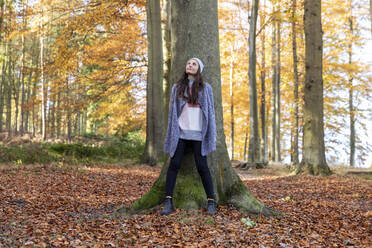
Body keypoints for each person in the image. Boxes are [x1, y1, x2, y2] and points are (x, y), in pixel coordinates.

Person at [162, 58, 217, 215]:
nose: (190, 65)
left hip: (199, 134)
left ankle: (211, 202)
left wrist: (210, 134)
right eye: (188, 63)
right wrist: (173, 132)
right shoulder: (177, 88)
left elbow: (210, 113)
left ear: (199, 69)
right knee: (174, 164)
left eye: (194, 64)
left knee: (202, 167)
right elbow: (173, 113)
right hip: (180, 133)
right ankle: (168, 201)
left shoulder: (206, 89)